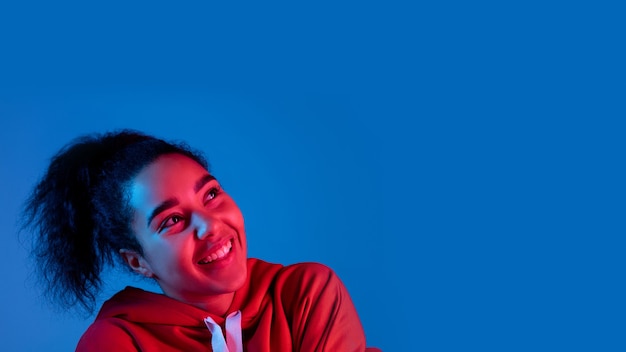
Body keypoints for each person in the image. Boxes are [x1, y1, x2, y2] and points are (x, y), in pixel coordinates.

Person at [21, 129, 380, 352]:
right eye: (173, 220)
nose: (209, 225)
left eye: (210, 195)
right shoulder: (116, 343)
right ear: (138, 261)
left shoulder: (306, 294)